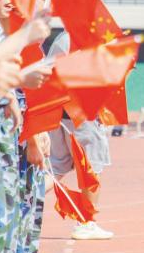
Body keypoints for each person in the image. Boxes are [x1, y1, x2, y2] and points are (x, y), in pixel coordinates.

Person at [46, 31, 114, 241]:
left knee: (58, 165)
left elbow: (49, 71)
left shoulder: (64, 38)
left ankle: (24, 201)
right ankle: (87, 222)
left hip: (61, 111)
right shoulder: (87, 38)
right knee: (90, 168)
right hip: (82, 112)